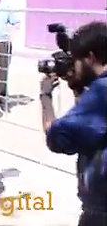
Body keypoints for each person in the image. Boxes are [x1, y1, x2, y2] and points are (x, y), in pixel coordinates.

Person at [41, 21, 107, 226]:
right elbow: (89, 128)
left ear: (90, 58)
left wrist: (45, 97)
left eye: (76, 60)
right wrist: (78, 88)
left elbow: (58, 138)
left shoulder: (101, 92)